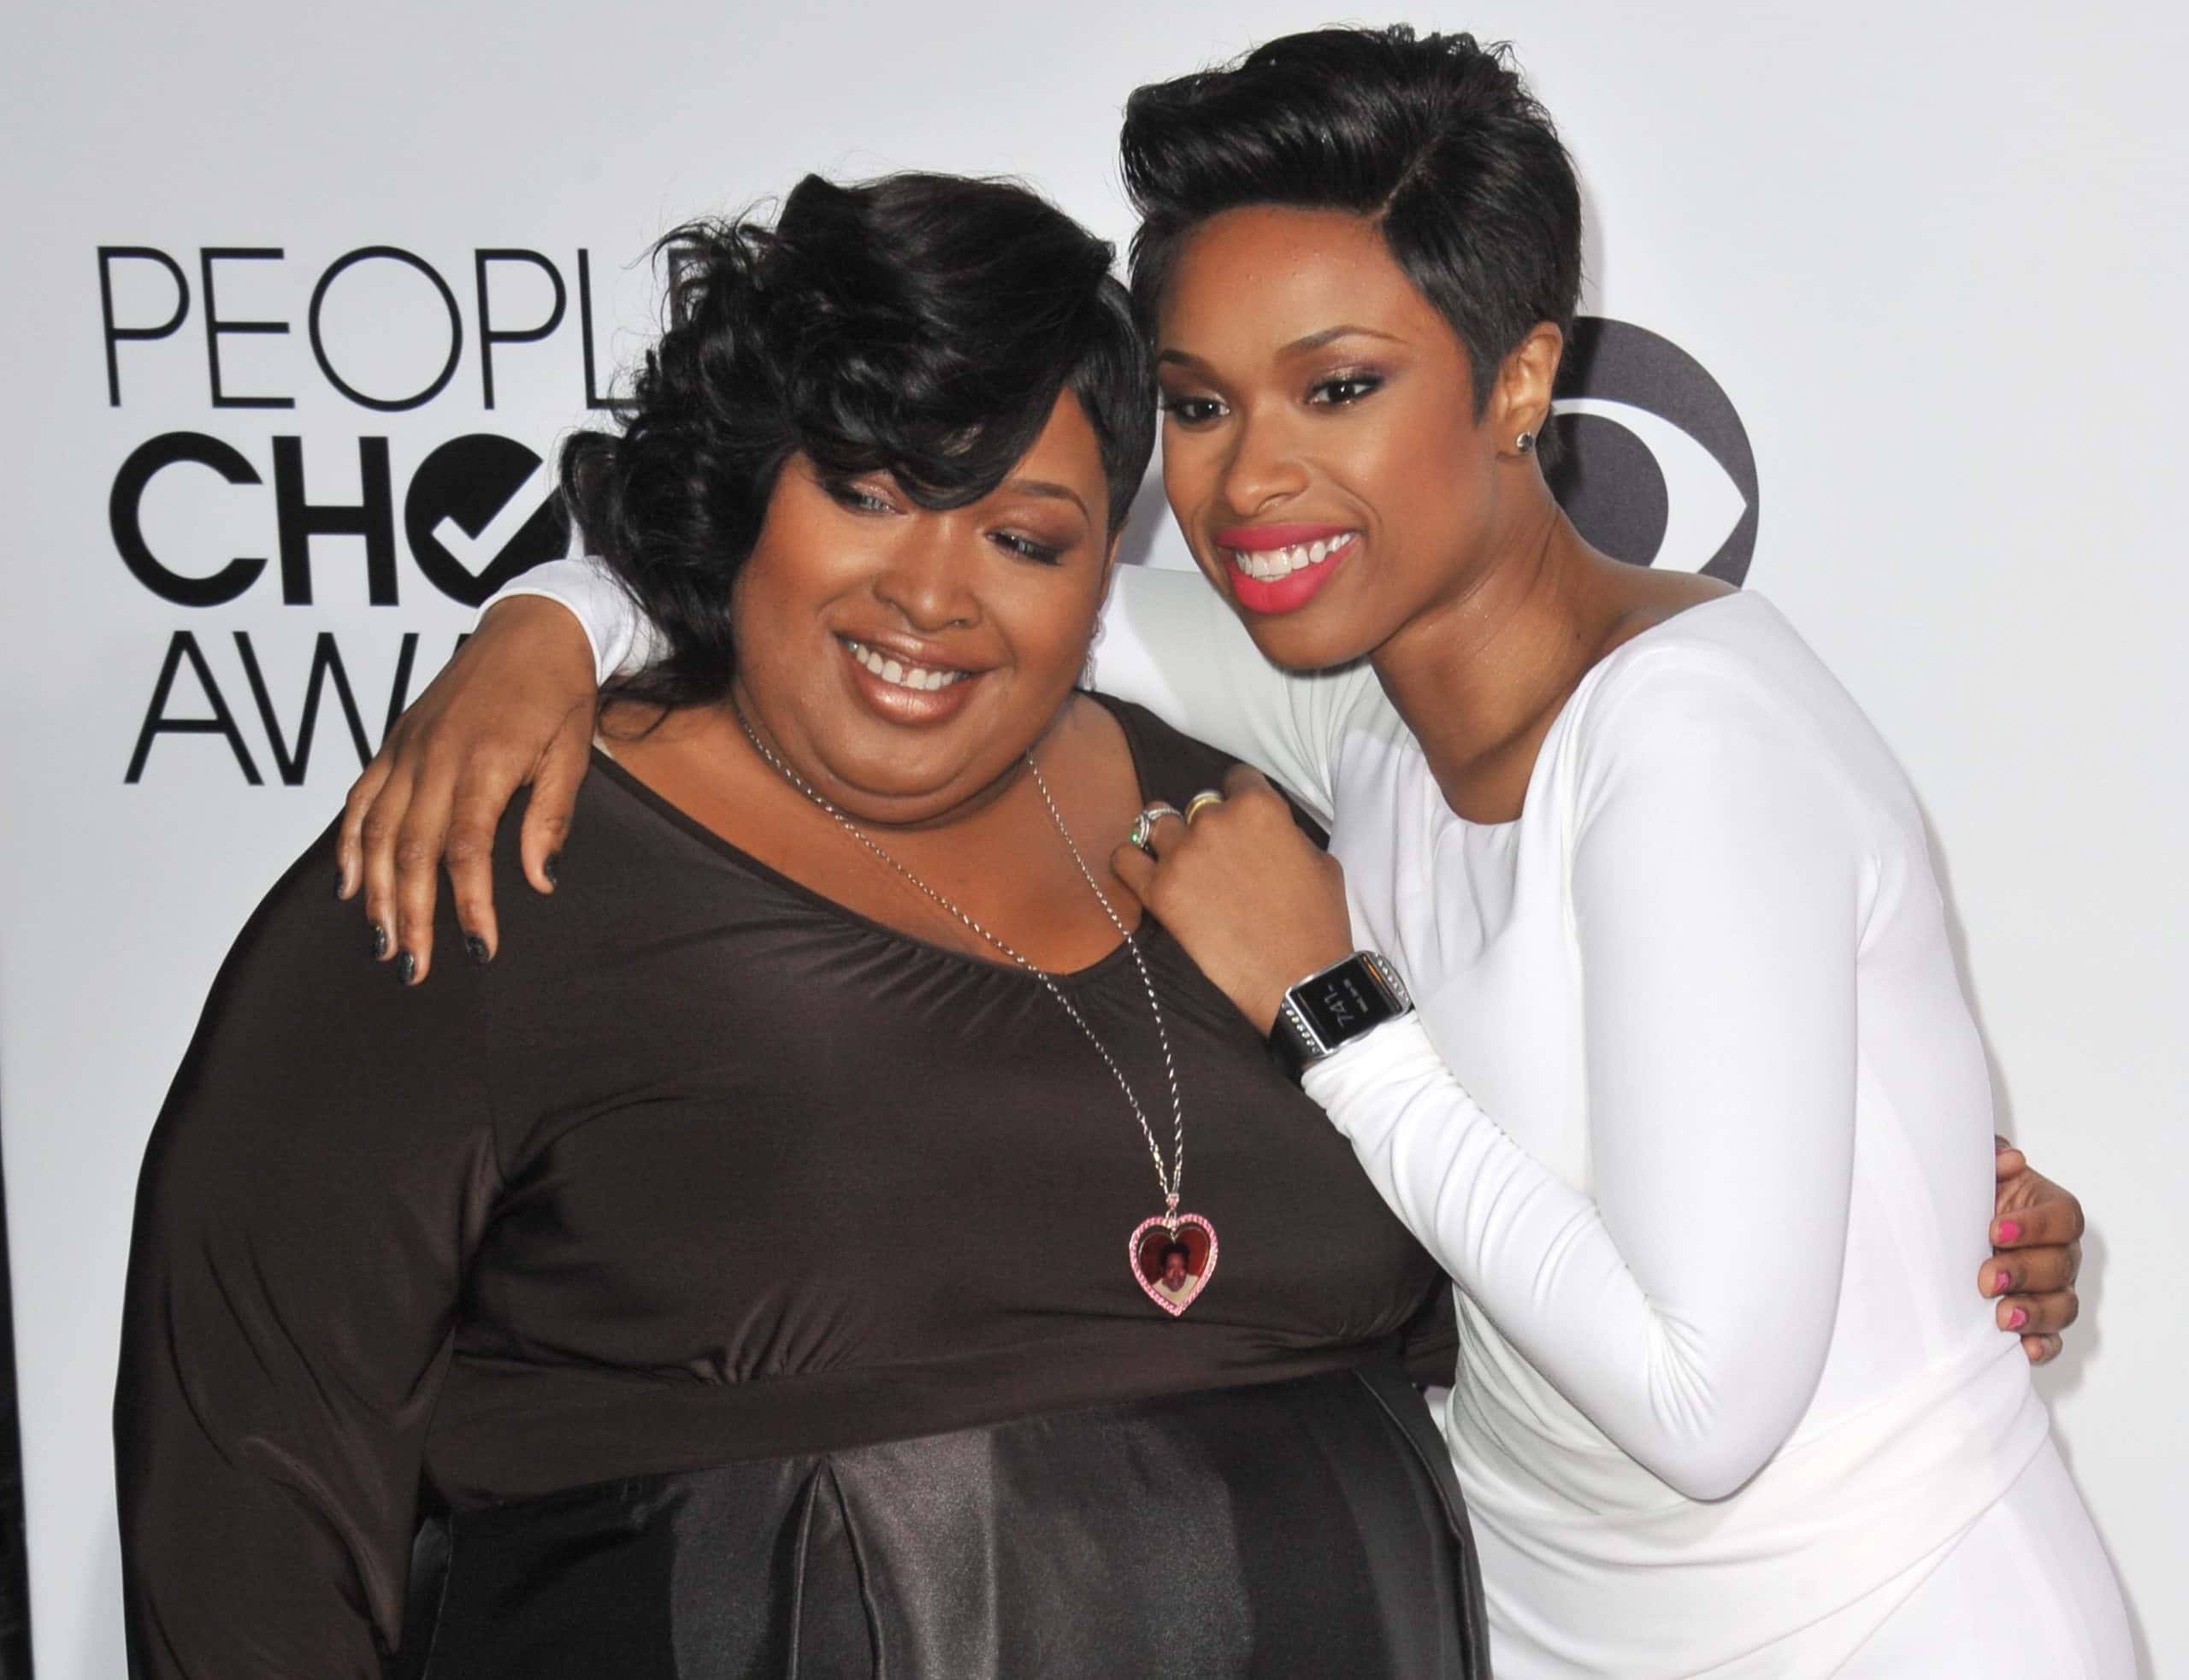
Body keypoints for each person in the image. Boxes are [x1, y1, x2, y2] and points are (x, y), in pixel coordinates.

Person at [334, 32, 2109, 1676]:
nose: (1249, 479)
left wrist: (1324, 1006)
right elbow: (928, 608)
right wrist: (548, 621)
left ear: (1516, 379)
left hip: (1884, 1626)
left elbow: (1701, 1405)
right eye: (1197, 405)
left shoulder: (1686, 741)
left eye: (1335, 387)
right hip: (1549, 1627)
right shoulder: (1367, 709)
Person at [115, 173, 1490, 1678]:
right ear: (746, 487)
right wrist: (553, 615)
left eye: (1024, 540)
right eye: (869, 491)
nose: (932, 594)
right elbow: (249, 1480)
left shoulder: (1246, 833)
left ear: (1103, 571)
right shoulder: (491, 848)